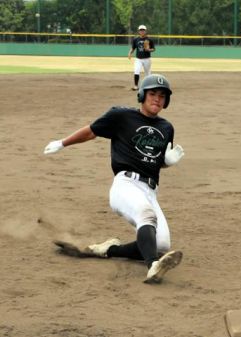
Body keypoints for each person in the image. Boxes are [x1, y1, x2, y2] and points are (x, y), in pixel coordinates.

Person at [44, 74, 185, 284]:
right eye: (152, 93)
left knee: (161, 245)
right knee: (147, 217)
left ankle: (108, 249)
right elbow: (92, 132)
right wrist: (62, 143)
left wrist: (167, 162)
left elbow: (157, 162)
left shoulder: (166, 128)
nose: (157, 99)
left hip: (150, 190)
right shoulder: (121, 116)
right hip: (125, 185)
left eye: (162, 96)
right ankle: (152, 266)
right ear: (142, 95)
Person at [128, 24, 156, 91]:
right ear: (139, 31)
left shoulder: (149, 39)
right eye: (141, 30)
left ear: (145, 31)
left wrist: (149, 50)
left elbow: (154, 49)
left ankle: (149, 86)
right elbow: (133, 48)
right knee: (136, 71)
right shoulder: (136, 39)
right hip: (138, 59)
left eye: (143, 30)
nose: (142, 31)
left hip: (147, 59)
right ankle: (136, 86)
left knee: (148, 73)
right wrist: (129, 53)